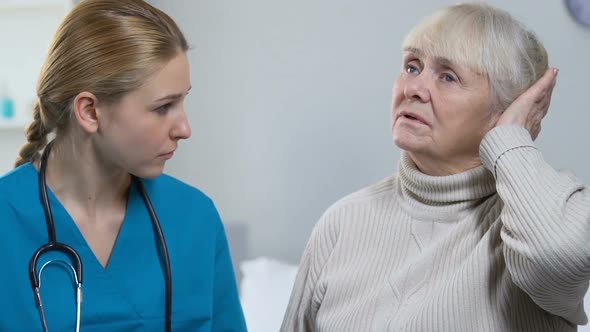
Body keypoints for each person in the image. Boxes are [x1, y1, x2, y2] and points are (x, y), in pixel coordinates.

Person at [281, 3, 589, 331]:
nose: (412, 88)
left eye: (448, 76)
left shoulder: (544, 220)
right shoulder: (341, 223)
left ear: (505, 110)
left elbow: (563, 256)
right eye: (412, 66)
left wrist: (511, 138)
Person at [0, 0, 247, 331]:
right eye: (163, 107)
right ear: (90, 112)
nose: (184, 128)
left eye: (182, 101)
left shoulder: (194, 219)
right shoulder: (7, 221)